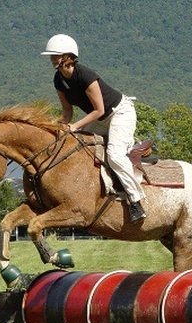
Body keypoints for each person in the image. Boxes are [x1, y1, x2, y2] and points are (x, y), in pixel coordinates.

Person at [41, 34, 147, 223]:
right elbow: (67, 111)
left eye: (55, 55)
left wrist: (74, 126)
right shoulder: (58, 79)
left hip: (119, 113)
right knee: (75, 146)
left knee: (114, 155)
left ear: (67, 56)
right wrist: (58, 125)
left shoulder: (85, 75)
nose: (51, 59)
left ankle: (135, 201)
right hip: (101, 118)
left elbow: (99, 110)